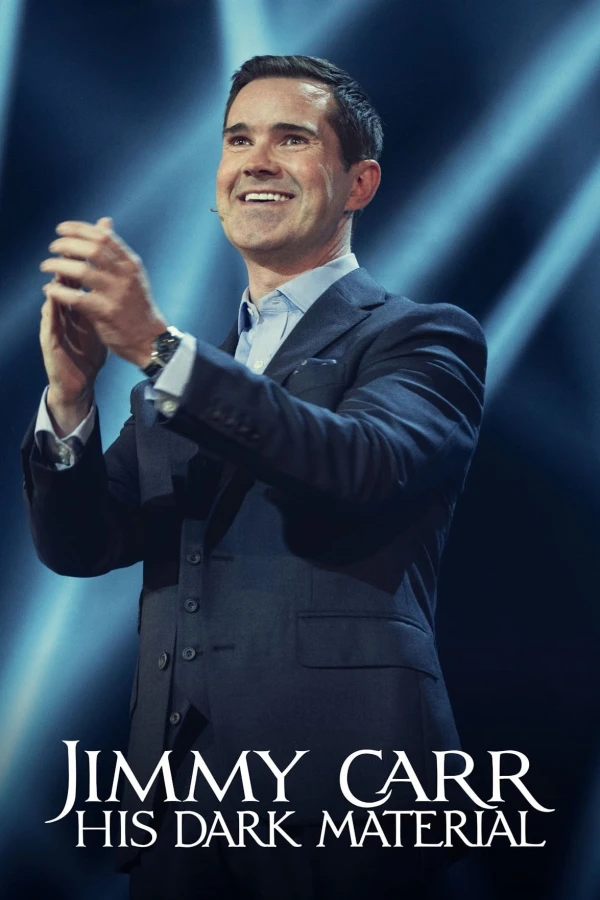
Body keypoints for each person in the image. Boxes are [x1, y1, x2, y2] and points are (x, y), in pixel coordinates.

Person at [21, 55, 487, 899]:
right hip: (177, 806)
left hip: (349, 789)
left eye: (292, 139)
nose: (256, 161)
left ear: (359, 184)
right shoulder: (178, 383)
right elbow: (84, 546)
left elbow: (361, 464)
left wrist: (159, 348)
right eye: (238, 139)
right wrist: (71, 398)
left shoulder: (420, 336)